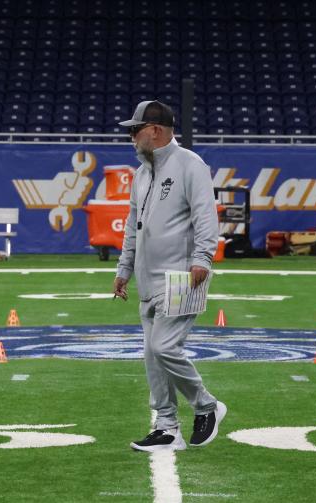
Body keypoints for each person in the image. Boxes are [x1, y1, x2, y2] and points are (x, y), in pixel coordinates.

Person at [112, 100, 227, 452]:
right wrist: (124, 268)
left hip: (181, 276)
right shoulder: (142, 172)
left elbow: (206, 216)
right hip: (148, 279)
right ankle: (166, 427)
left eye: (136, 130)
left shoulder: (190, 164)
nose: (131, 137)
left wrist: (203, 258)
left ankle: (207, 405)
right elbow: (134, 225)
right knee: (152, 355)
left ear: (156, 130)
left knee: (164, 346)